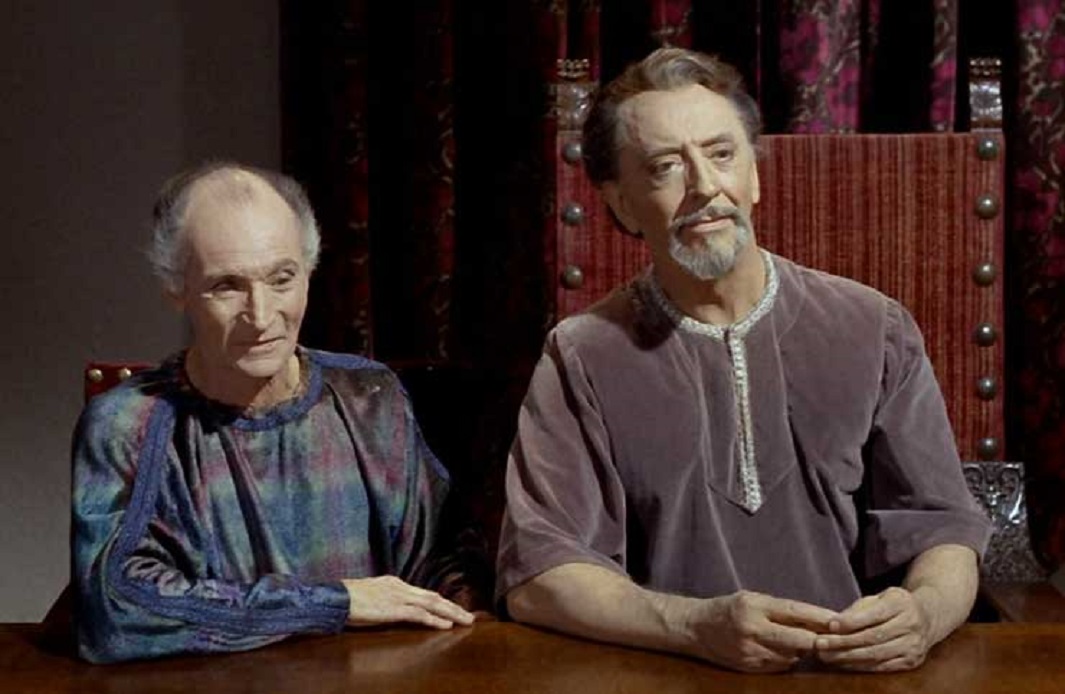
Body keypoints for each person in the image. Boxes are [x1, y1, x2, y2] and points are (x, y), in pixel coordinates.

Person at [495, 48, 991, 674]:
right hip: (668, 678)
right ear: (619, 204)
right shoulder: (581, 355)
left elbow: (944, 527)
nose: (706, 187)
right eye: (665, 167)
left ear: (754, 175)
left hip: (854, 679)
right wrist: (693, 627)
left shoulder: (875, 327)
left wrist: (924, 613)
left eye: (722, 154)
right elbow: (538, 572)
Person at [72, 162, 474, 663]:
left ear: (309, 272)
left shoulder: (370, 397)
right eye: (227, 286)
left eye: (281, 279)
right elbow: (117, 612)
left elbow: (440, 568)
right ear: (175, 289)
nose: (261, 316)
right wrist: (334, 603)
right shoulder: (126, 425)